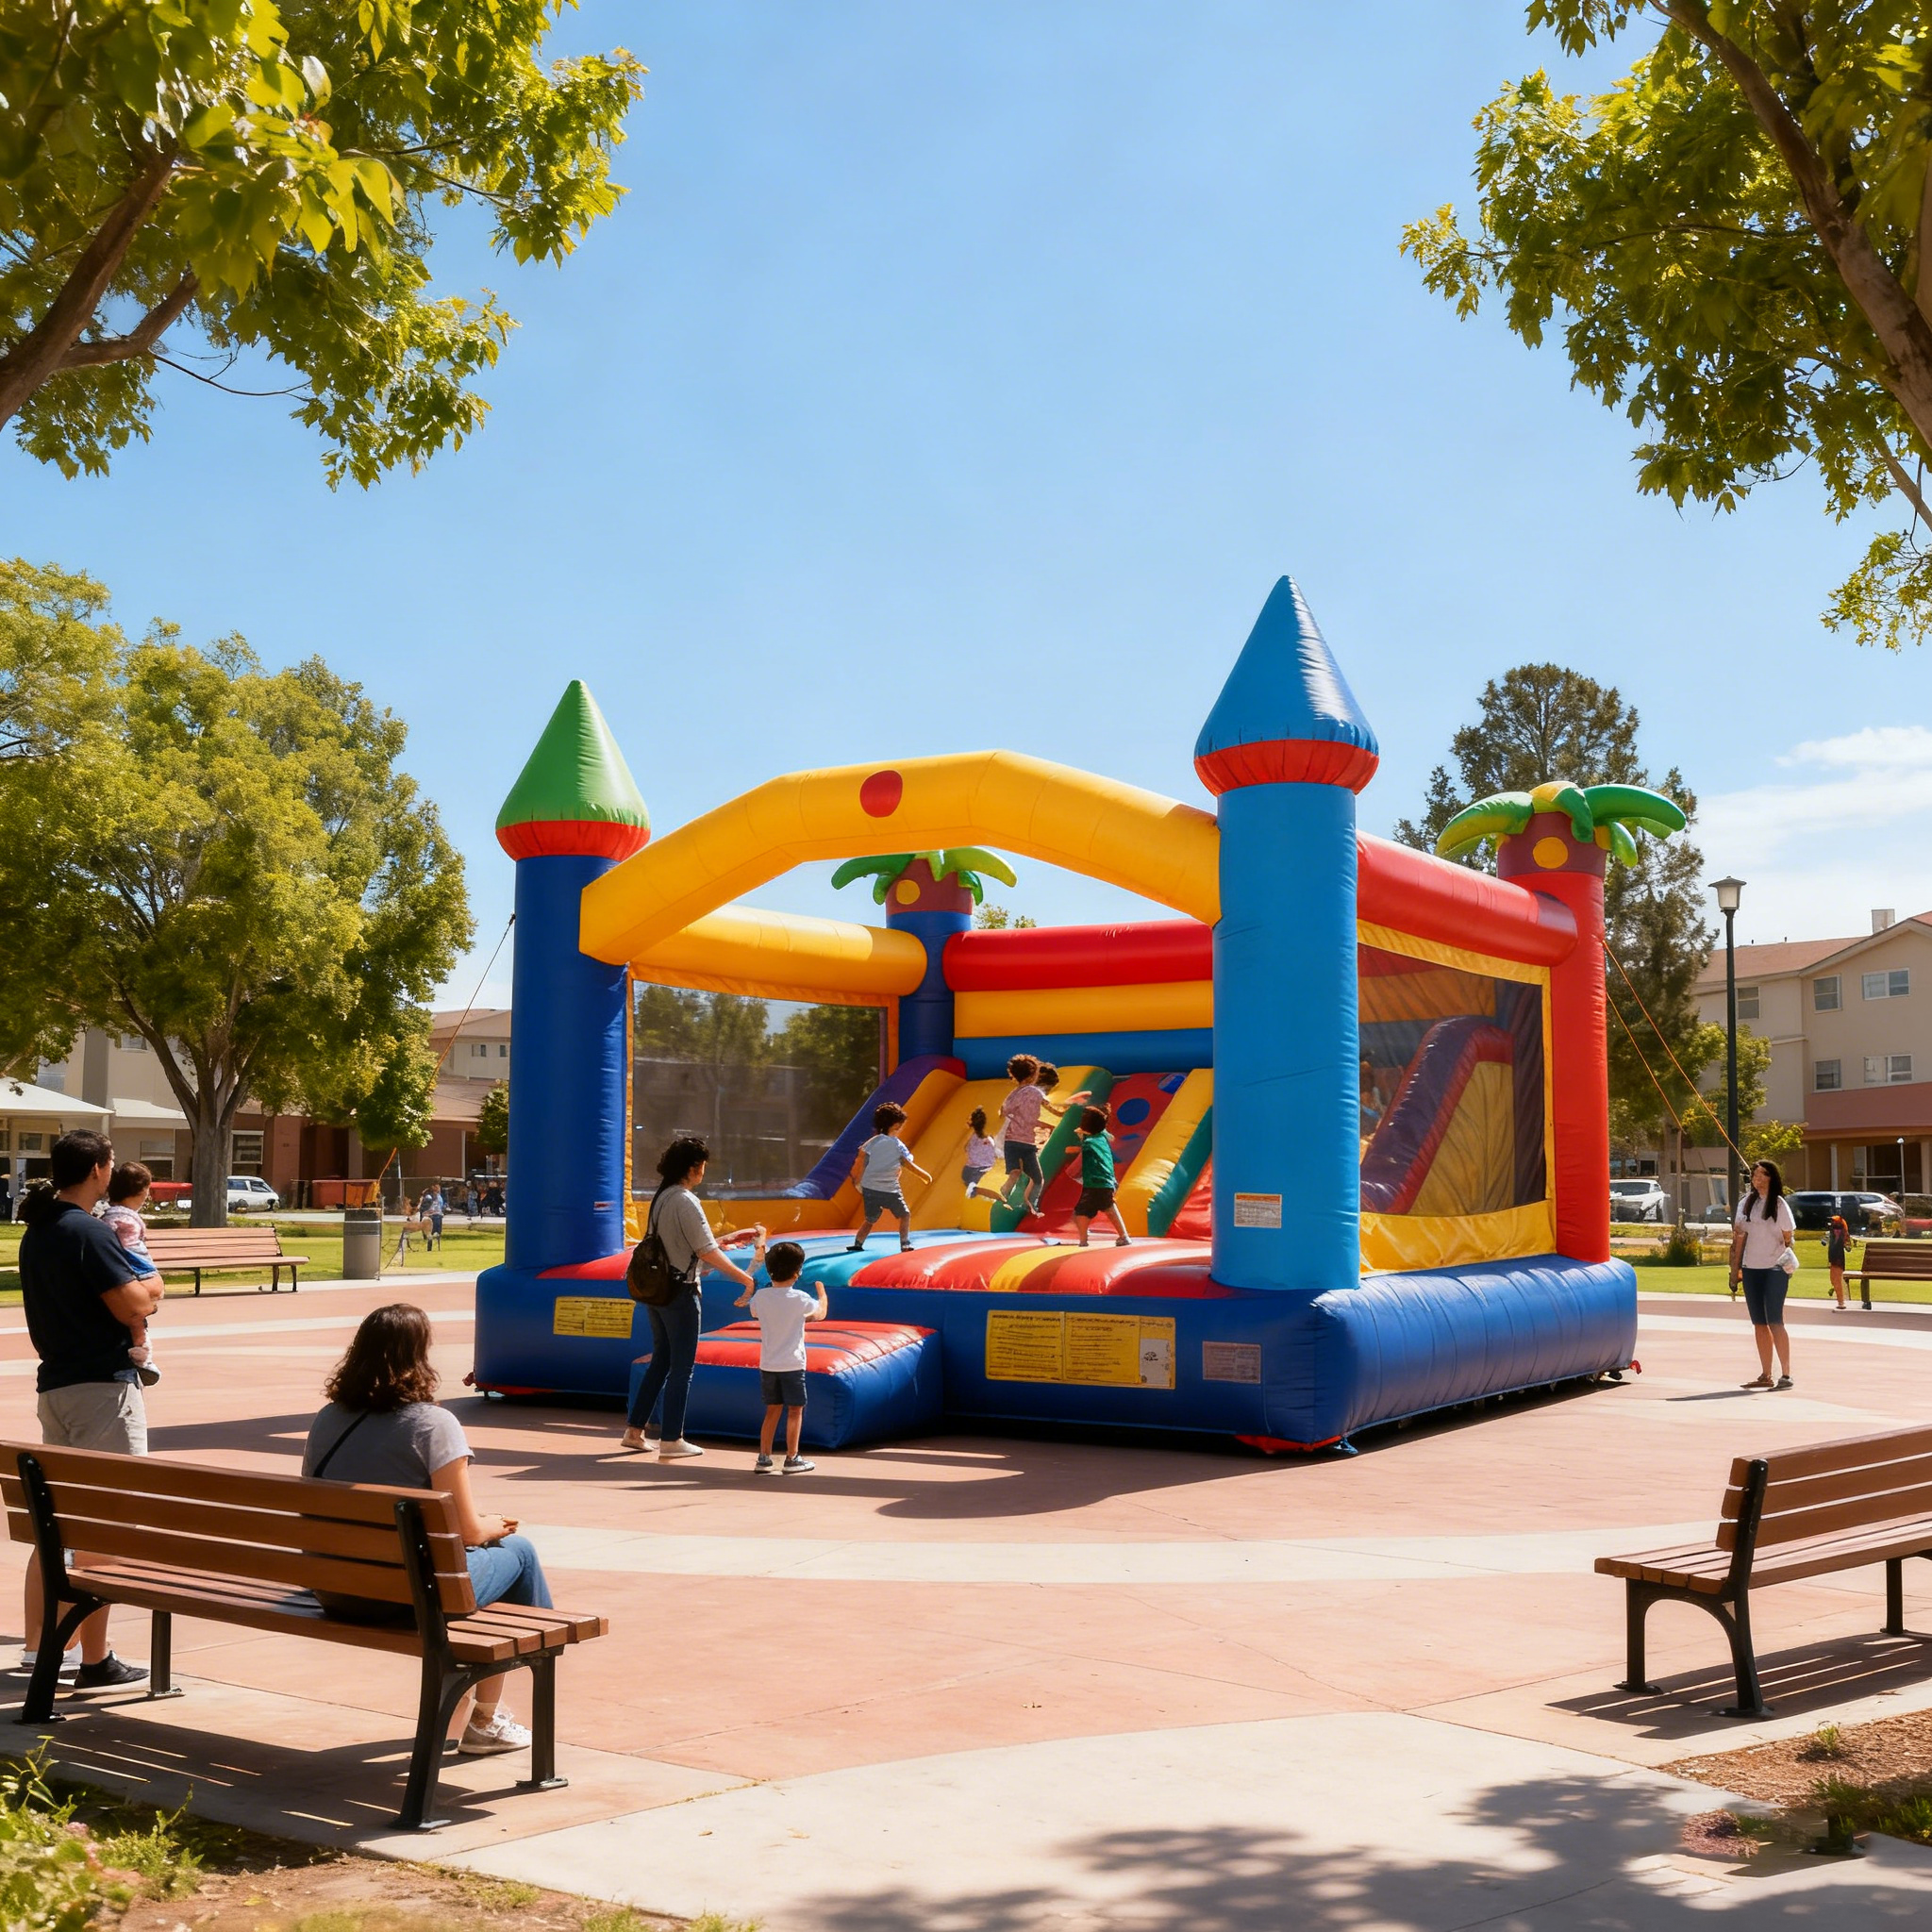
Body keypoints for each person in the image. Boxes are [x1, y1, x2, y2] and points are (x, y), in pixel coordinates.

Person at [304, 1303, 550, 1757]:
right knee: (519, 1552)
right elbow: (466, 1530)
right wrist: (495, 1526)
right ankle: (486, 1718)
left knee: (484, 1562)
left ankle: (480, 1712)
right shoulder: (433, 1424)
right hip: (405, 1595)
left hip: (335, 1588)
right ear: (421, 1355)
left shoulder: (328, 1417)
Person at [15, 1129, 161, 1690]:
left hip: (56, 1387)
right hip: (103, 1387)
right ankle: (96, 1660)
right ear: (100, 1170)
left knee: (57, 1528)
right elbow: (133, 1303)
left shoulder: (40, 1230)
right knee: (108, 1526)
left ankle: (39, 1649)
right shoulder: (88, 1232)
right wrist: (153, 1287)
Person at [621, 1136, 764, 1459]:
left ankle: (634, 1429)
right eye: (702, 1167)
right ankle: (672, 1438)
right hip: (681, 1291)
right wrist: (744, 1278)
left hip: (658, 1292)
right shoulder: (686, 1200)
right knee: (682, 1367)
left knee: (662, 1360)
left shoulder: (662, 1198)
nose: (703, 1172)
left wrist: (718, 1247)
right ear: (694, 1167)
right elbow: (705, 1249)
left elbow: (687, 1247)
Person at [736, 1241, 825, 1474]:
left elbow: (754, 1310)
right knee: (795, 1410)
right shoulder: (801, 1299)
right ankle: (792, 1457)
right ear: (797, 1272)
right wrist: (822, 1294)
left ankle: (764, 1458)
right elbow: (819, 1314)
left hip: (768, 1364)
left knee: (772, 1410)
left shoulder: (761, 1298)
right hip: (793, 1364)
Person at [1730, 1158, 1797, 1390]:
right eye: (1754, 1175)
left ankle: (1786, 1375)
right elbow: (1739, 1233)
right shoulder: (1746, 1203)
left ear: (1771, 1177)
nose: (1756, 1179)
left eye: (1762, 1175)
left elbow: (1788, 1235)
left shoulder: (1778, 1205)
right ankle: (1766, 1374)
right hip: (1751, 1268)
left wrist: (1785, 1253)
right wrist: (1735, 1267)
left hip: (1775, 1268)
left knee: (1775, 1320)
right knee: (1759, 1322)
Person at [99, 1162, 161, 1386]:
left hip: (121, 1273)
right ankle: (143, 1356)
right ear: (141, 1191)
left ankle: (142, 1356)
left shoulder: (106, 1215)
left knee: (134, 1318)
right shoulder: (125, 1219)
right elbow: (129, 1249)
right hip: (135, 1269)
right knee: (137, 1317)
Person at [847, 1102, 931, 1253]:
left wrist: (859, 1179)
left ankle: (858, 1243)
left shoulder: (873, 1141)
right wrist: (925, 1176)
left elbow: (862, 1157)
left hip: (871, 1189)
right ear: (896, 1125)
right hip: (889, 1189)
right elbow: (907, 1164)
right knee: (905, 1215)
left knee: (870, 1219)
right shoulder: (897, 1145)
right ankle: (905, 1244)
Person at [1066, 1106, 1131, 1247]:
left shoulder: (1089, 1143)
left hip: (1094, 1183)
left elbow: (1090, 1148)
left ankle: (1083, 1241)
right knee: (1109, 1207)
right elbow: (1107, 1136)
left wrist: (1076, 1148)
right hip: (1108, 1181)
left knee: (1080, 1213)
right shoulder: (1101, 1136)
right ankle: (1124, 1236)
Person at [962, 1108, 1000, 1203]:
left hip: (976, 1167)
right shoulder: (987, 1136)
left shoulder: (973, 1138)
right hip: (986, 1164)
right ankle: (995, 1198)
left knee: (971, 1187)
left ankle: (998, 1199)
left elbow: (966, 1149)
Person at [1826, 1208, 1852, 1311]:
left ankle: (1841, 1302)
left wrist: (1846, 1243)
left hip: (1838, 1260)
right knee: (1834, 1280)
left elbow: (1848, 1247)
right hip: (1833, 1260)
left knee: (1837, 1280)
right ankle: (1838, 1296)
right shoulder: (1831, 1235)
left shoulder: (1843, 1235)